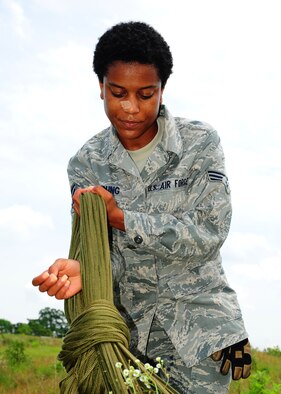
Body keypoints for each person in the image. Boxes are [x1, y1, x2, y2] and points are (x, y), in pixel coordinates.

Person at [32, 21, 251, 393]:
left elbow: (209, 231)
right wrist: (84, 268)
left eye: (146, 94)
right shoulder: (86, 163)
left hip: (197, 333)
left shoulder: (199, 143)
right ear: (100, 87)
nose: (131, 108)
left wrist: (122, 218)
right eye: (118, 93)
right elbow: (103, 249)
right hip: (123, 338)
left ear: (162, 90)